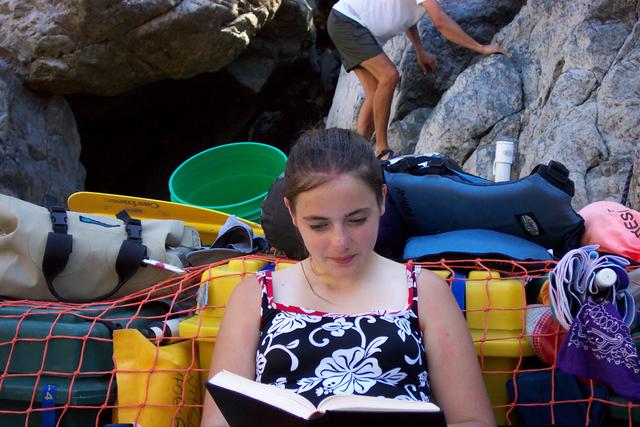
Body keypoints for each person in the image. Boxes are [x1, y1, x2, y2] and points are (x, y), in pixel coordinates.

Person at [201, 128, 495, 427]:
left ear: (382, 199)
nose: (340, 241)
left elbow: (473, 421)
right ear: (291, 212)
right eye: (318, 225)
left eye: (357, 220)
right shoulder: (254, 295)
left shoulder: (426, 292)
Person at [327, 0, 509, 160]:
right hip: (349, 21)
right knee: (389, 76)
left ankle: (357, 155)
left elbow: (408, 17)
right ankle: (381, 148)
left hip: (346, 21)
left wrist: (419, 49)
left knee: (374, 92)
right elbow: (440, 22)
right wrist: (481, 48)